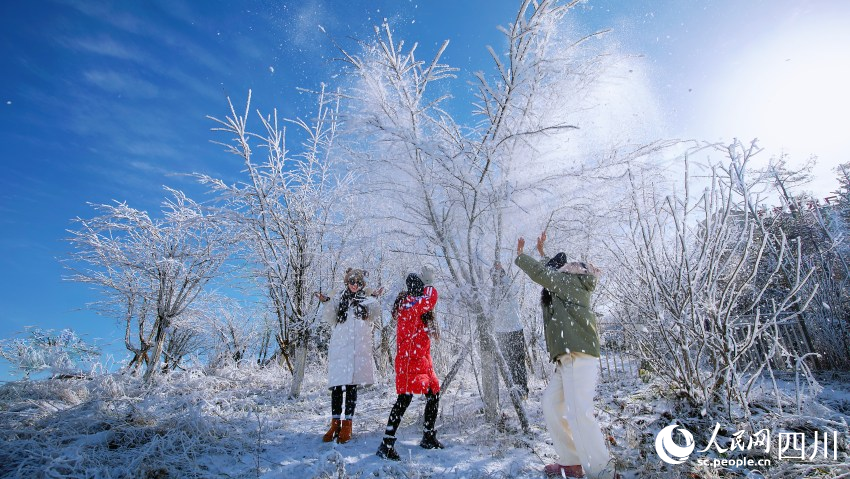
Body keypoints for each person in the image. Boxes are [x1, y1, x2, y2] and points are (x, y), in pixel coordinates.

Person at [515, 231, 615, 479]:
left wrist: (521, 256)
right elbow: (551, 269)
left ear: (567, 271)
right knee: (551, 405)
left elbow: (545, 273)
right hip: (566, 360)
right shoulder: (564, 284)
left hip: (579, 356)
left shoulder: (569, 282)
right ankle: (571, 461)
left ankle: (602, 470)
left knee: (579, 412)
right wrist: (542, 253)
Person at [376, 272, 442, 460]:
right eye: (420, 288)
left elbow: (427, 303)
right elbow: (431, 299)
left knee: (434, 393)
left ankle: (428, 436)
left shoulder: (415, 304)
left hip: (422, 360)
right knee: (404, 399)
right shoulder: (409, 304)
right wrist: (429, 283)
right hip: (409, 361)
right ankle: (386, 445)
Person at [316, 268, 382, 444]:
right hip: (340, 350)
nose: (355, 285)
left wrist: (374, 298)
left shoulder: (366, 301)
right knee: (337, 387)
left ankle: (348, 425)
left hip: (357, 352)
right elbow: (330, 318)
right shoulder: (339, 298)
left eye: (358, 283)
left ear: (362, 285)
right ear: (347, 282)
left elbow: (375, 315)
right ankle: (335, 424)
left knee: (352, 388)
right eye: (352, 282)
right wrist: (326, 302)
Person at [490, 261, 529, 399]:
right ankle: (516, 391)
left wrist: (503, 274)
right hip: (503, 332)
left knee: (517, 361)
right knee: (510, 363)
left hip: (514, 329)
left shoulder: (508, 286)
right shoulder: (493, 293)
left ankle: (522, 391)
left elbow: (515, 289)